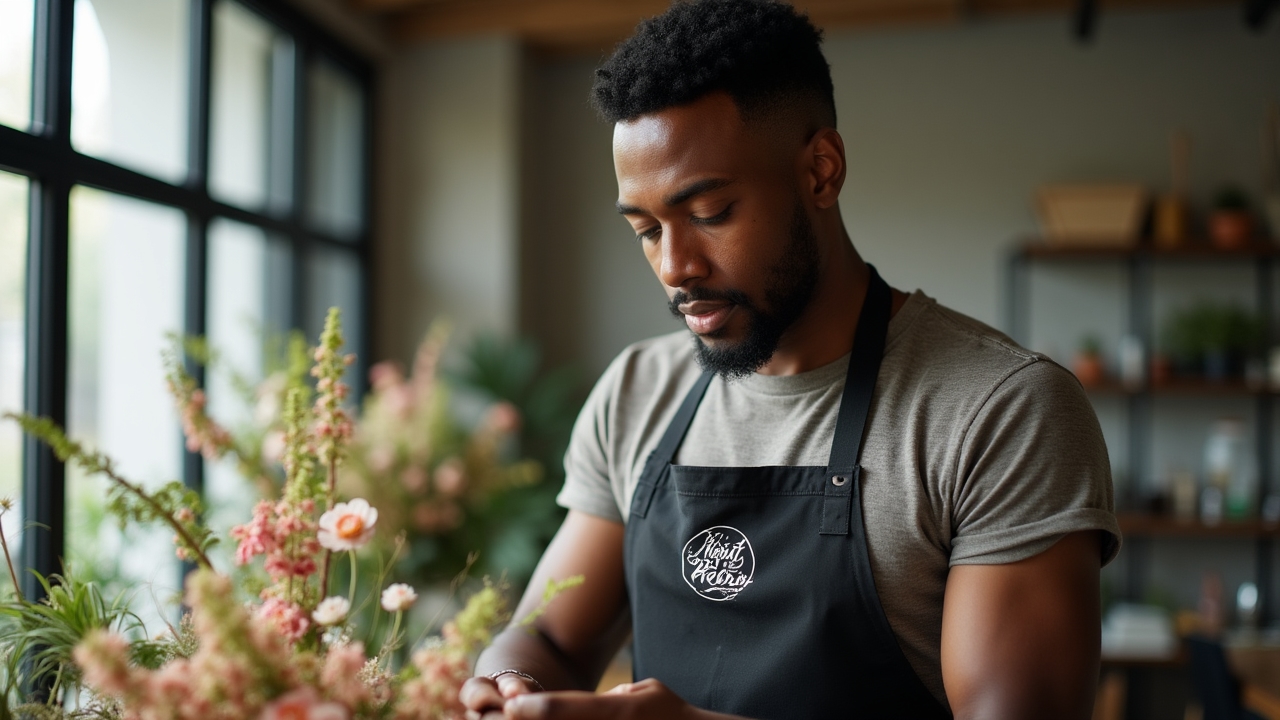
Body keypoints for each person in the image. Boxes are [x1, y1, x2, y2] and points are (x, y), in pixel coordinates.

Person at [461, 1, 1121, 718]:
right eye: (647, 229)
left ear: (821, 171)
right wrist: (505, 679)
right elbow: (551, 637)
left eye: (710, 213)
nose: (674, 266)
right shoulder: (636, 391)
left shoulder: (1000, 411)